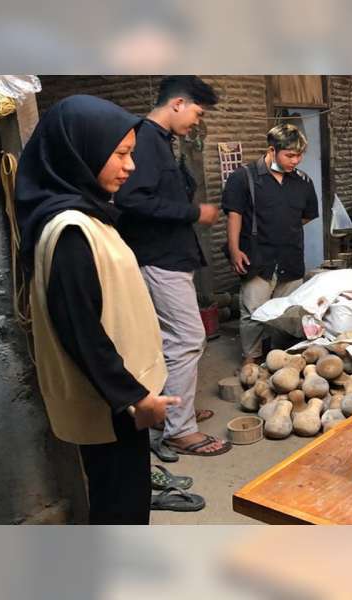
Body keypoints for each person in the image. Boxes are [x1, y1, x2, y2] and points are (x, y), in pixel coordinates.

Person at [15, 94, 182, 524]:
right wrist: (134, 399)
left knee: (125, 500)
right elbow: (79, 328)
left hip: (116, 401)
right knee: (120, 508)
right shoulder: (71, 229)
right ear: (81, 152)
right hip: (112, 406)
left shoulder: (88, 216)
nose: (130, 167)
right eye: (122, 154)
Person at [115, 76, 231, 459]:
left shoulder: (162, 141)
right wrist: (195, 212)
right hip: (158, 258)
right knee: (187, 338)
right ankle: (179, 431)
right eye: (197, 112)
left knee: (170, 340)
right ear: (178, 103)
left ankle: (170, 411)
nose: (197, 121)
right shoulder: (145, 140)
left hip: (171, 255)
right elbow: (131, 199)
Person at [222, 123, 319, 364]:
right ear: (271, 150)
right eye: (290, 155)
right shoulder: (243, 178)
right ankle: (251, 360)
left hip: (290, 256)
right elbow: (234, 215)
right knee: (254, 312)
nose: (295, 161)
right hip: (257, 256)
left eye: (299, 155)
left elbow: (306, 216)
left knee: (290, 312)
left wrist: (284, 229)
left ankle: (283, 359)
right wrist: (235, 249)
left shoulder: (303, 182)